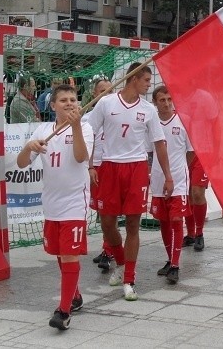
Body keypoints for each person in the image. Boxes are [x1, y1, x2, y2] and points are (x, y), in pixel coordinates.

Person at [86, 62, 173, 301]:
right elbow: (89, 133)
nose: (149, 85)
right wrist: (91, 164)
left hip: (136, 167)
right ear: (134, 79)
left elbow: (159, 143)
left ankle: (129, 279)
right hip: (110, 167)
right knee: (107, 222)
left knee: (133, 224)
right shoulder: (106, 103)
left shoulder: (149, 110)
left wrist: (168, 175)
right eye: (146, 80)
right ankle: (122, 262)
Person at [16, 84, 94, 330]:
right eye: (64, 100)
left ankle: (63, 311)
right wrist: (29, 147)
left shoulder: (86, 127)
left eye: (73, 99)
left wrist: (76, 127)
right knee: (60, 253)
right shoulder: (43, 130)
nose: (70, 103)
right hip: (52, 203)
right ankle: (76, 295)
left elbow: (81, 157)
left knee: (69, 254)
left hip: (74, 202)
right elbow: (20, 164)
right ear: (53, 106)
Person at [149, 86, 194, 284]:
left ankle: (175, 265)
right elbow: (147, 151)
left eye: (169, 99)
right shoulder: (151, 124)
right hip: (158, 179)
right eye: (162, 100)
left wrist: (179, 170)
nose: (166, 103)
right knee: (164, 221)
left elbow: (191, 152)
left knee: (176, 220)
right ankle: (169, 259)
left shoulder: (183, 121)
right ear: (155, 103)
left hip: (178, 180)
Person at [83, 78, 115, 272]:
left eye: (110, 91)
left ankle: (108, 249)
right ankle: (107, 246)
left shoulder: (118, 115)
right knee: (100, 211)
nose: (106, 94)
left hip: (111, 166)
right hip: (93, 168)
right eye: (102, 91)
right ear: (95, 95)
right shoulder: (87, 118)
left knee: (108, 210)